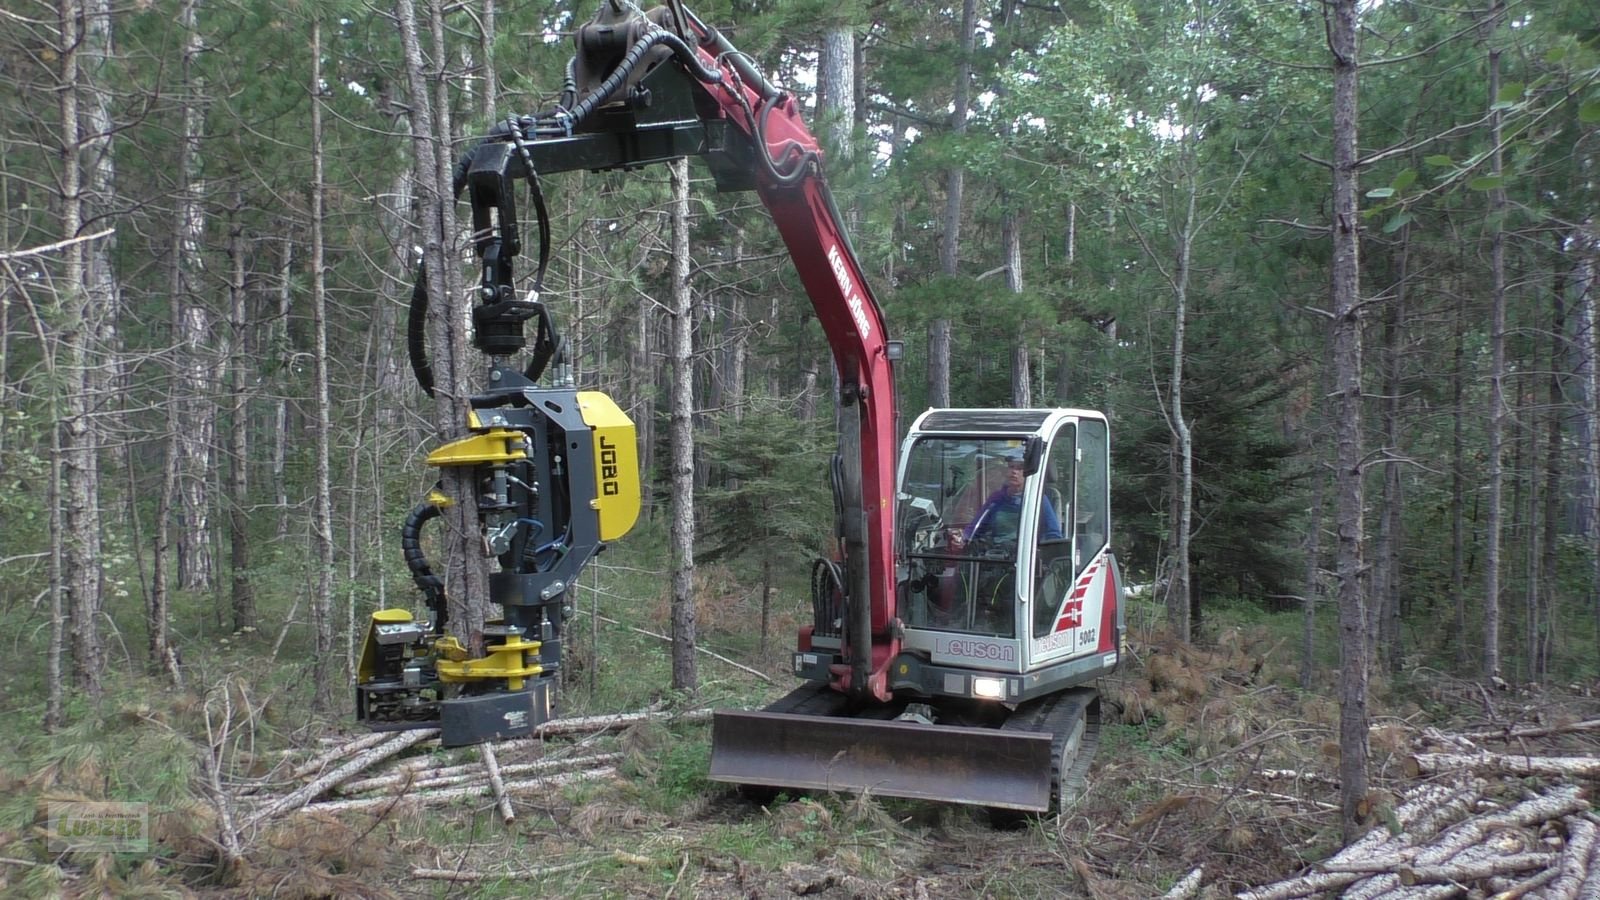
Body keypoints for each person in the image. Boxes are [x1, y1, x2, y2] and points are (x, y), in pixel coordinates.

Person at [963, 452, 1062, 553]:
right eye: (1011, 467)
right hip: (996, 556)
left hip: (1024, 557)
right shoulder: (996, 499)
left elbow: (1053, 535)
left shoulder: (1039, 499)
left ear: (1029, 473)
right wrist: (962, 538)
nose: (1014, 471)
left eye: (1020, 468)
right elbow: (976, 528)